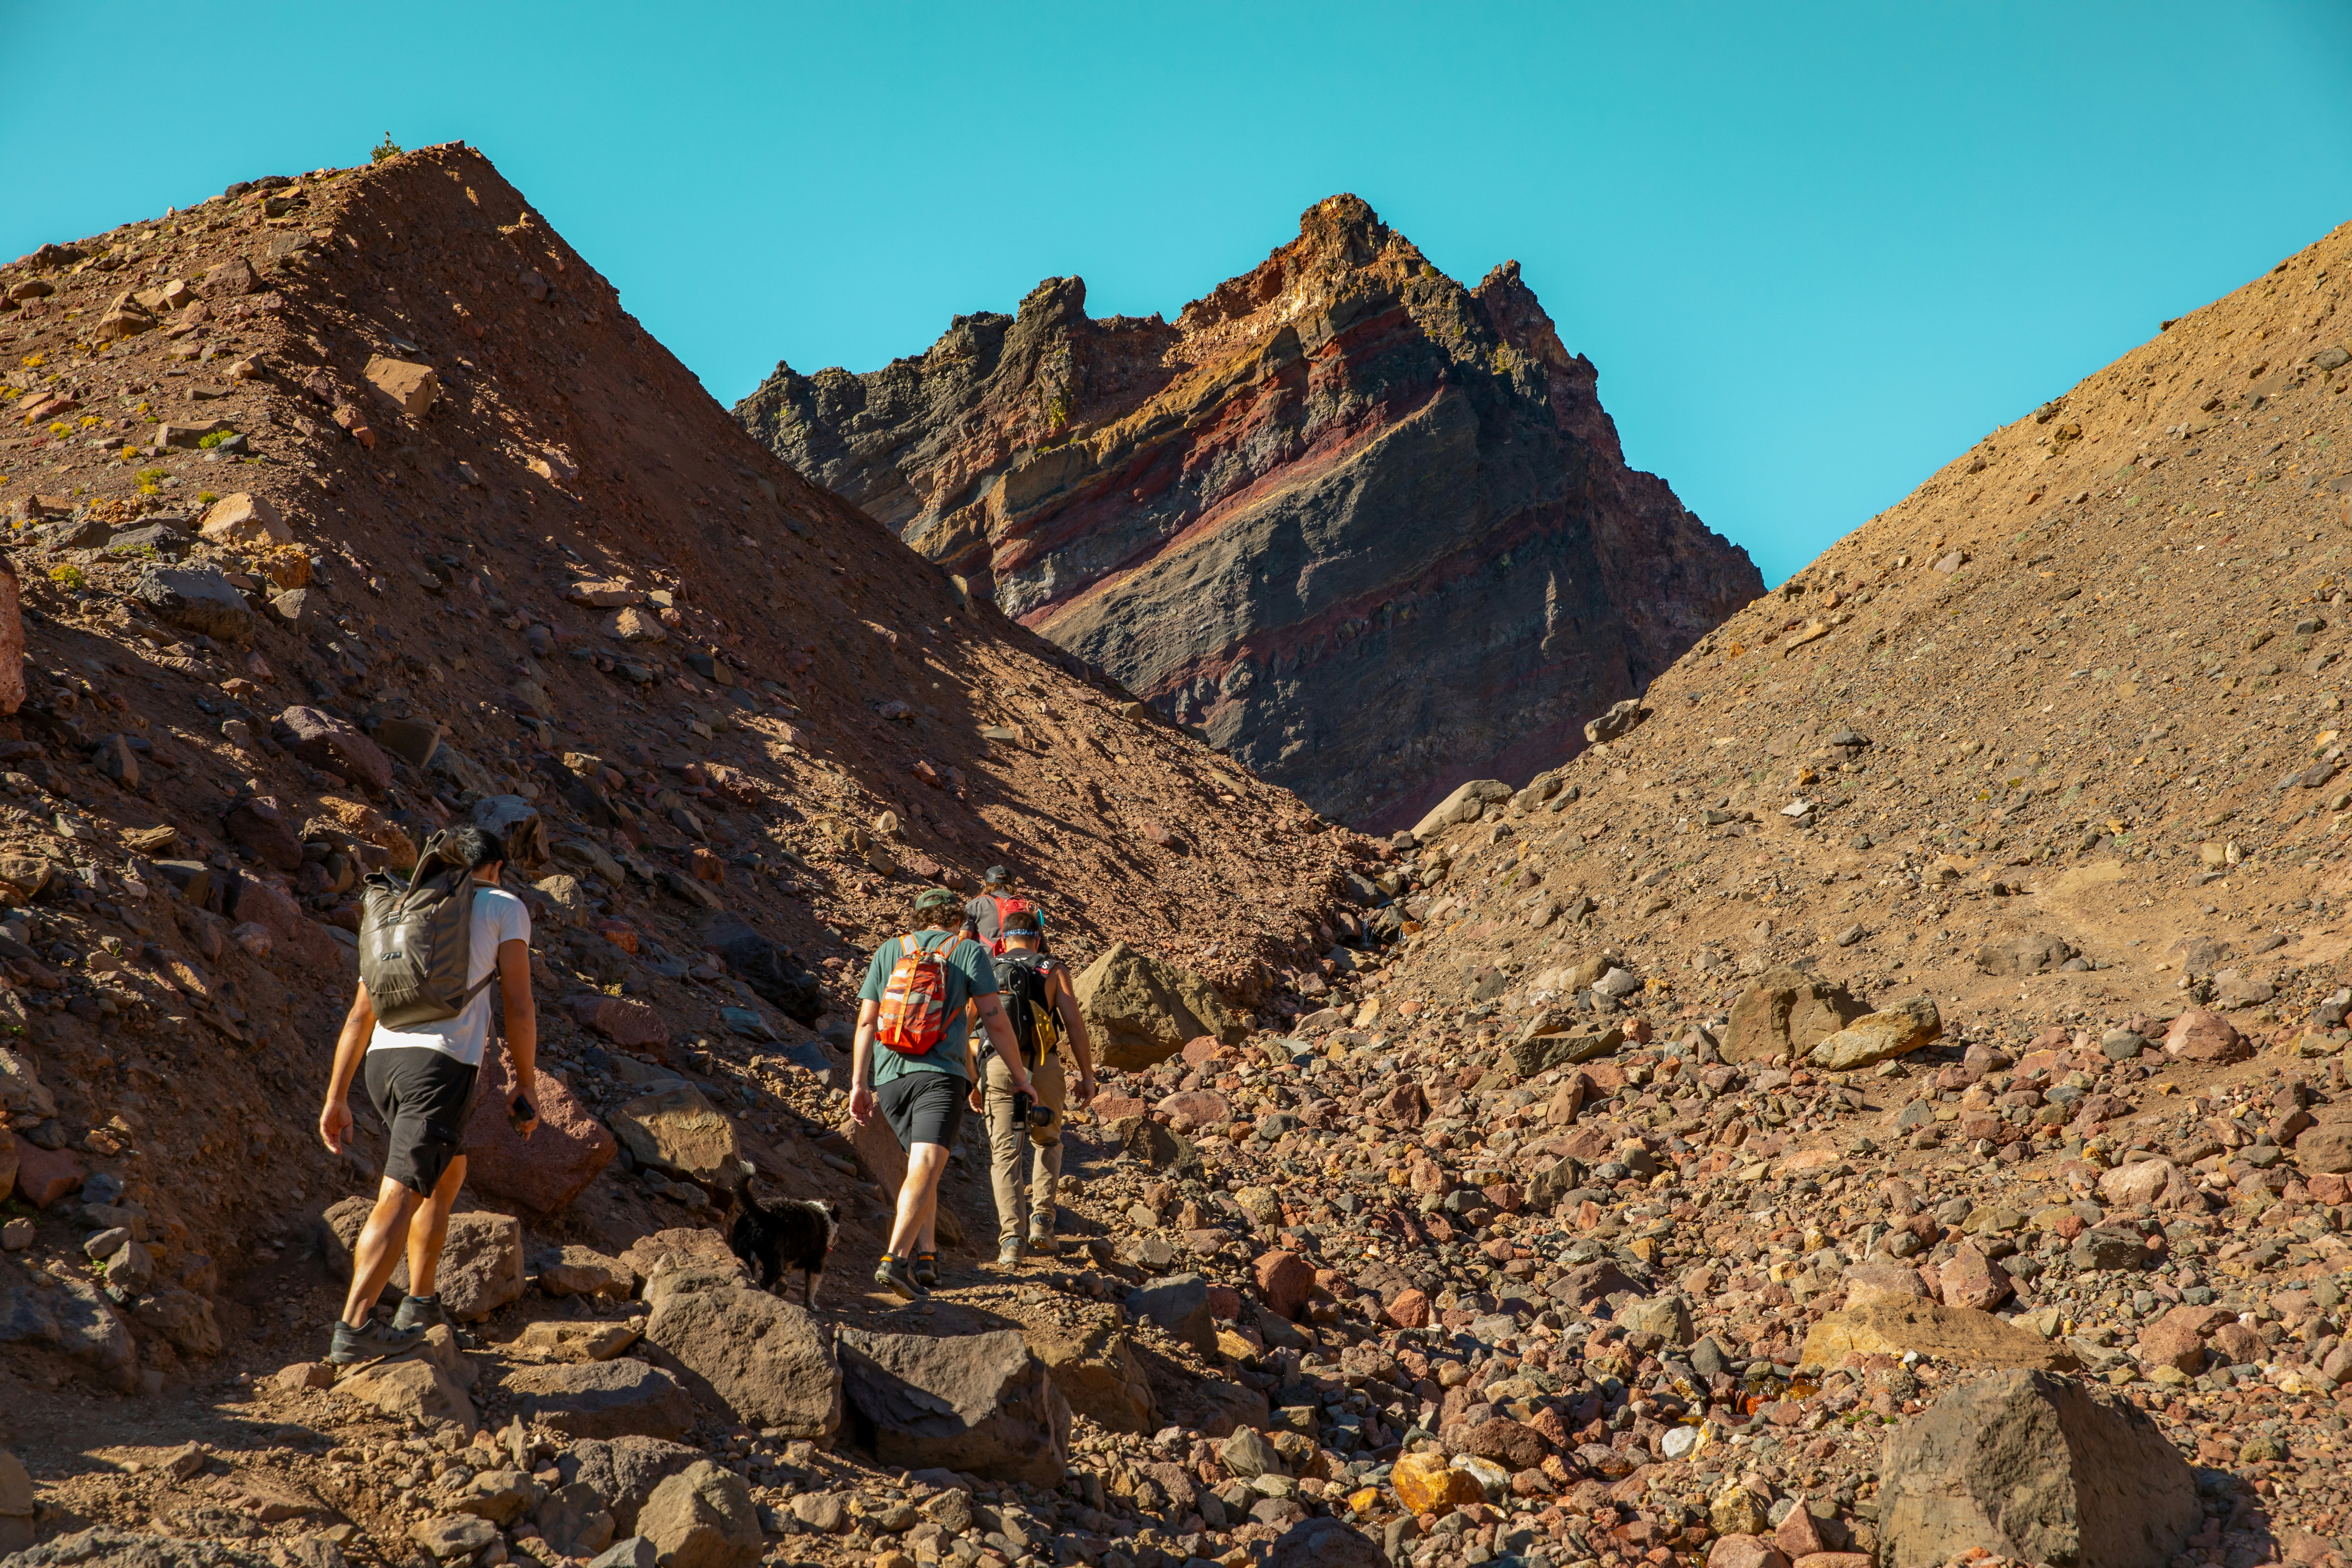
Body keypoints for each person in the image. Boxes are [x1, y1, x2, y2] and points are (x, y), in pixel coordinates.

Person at [317, 827, 537, 1363]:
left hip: (384, 1066)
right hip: (441, 1068)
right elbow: (520, 1004)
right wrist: (524, 1082)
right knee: (401, 1193)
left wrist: (337, 1096)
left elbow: (360, 1015)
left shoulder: (411, 907)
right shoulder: (505, 907)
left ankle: (419, 1304)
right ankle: (356, 1327)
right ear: (497, 867)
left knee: (446, 1173)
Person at [849, 886, 1034, 1300]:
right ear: (957, 918)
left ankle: (928, 1254)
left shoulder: (888, 951)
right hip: (940, 1074)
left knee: (921, 1164)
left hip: (891, 1076)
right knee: (928, 1162)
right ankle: (895, 1260)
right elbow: (995, 1020)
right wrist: (1020, 1077)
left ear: (918, 918)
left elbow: (865, 1023)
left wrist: (859, 1084)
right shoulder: (968, 953)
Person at [977, 904, 1097, 1265]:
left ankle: (1012, 1240)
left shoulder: (987, 967)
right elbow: (1074, 1023)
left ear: (1004, 939)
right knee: (1048, 1139)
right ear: (1038, 938)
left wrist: (971, 1079)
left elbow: (971, 1025)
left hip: (998, 1066)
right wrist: (1088, 1076)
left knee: (1005, 1153)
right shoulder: (1052, 968)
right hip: (1044, 1064)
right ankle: (1043, 1221)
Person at [964, 864, 1048, 953]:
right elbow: (1041, 950)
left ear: (986, 885)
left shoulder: (976, 904)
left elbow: (964, 938)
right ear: (1011, 886)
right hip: (1023, 964)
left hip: (987, 962)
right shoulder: (1027, 907)